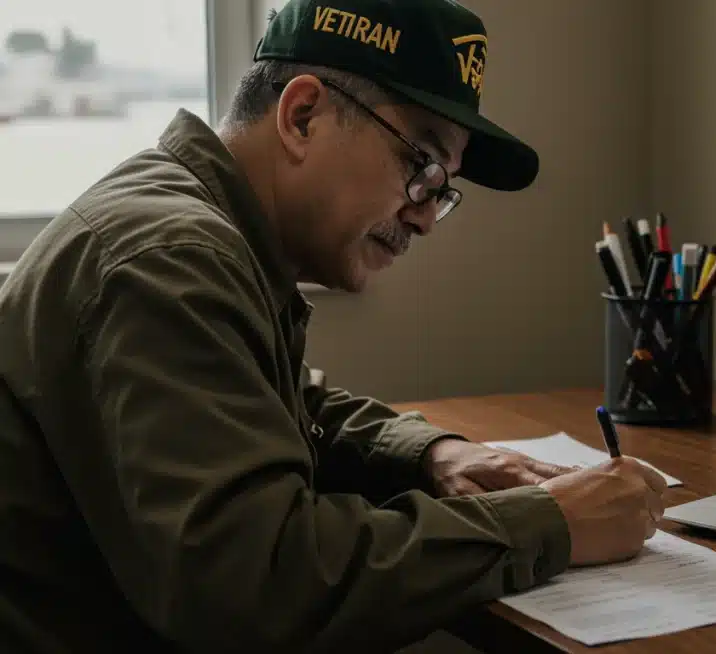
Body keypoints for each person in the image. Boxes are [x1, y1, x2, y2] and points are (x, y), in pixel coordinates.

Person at [0, 0, 667, 651]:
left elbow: (283, 408)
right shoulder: (172, 257)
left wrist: (435, 455)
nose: (427, 216)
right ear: (302, 115)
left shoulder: (198, 224)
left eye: (444, 189)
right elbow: (260, 583)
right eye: (421, 167)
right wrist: (547, 523)